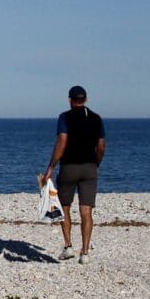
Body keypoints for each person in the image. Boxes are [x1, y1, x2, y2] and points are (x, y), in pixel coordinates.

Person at [43, 85, 106, 264]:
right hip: (89, 167)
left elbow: (62, 141)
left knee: (65, 207)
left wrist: (51, 167)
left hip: (69, 167)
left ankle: (68, 246)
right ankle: (85, 252)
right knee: (86, 211)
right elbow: (101, 146)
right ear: (85, 99)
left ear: (70, 100)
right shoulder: (96, 118)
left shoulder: (65, 117)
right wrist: (96, 163)